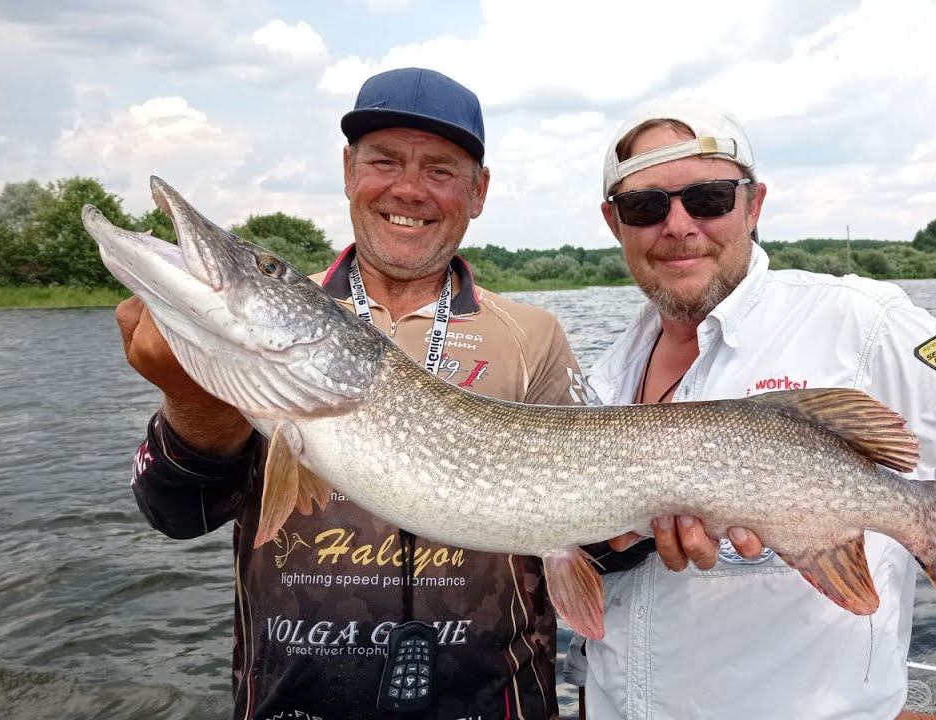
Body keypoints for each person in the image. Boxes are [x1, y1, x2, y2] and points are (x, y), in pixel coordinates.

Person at [568, 100, 936, 720]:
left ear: (753, 205)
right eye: (645, 206)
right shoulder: (605, 376)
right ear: (614, 222)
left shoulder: (864, 326)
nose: (678, 225)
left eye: (708, 198)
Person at [116, 68, 588, 720]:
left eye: (440, 170)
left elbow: (595, 523)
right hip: (290, 702)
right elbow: (176, 514)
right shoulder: (258, 346)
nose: (408, 189)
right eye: (384, 161)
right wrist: (193, 400)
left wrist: (658, 531)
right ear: (347, 171)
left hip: (494, 701)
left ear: (479, 191)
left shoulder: (531, 334)